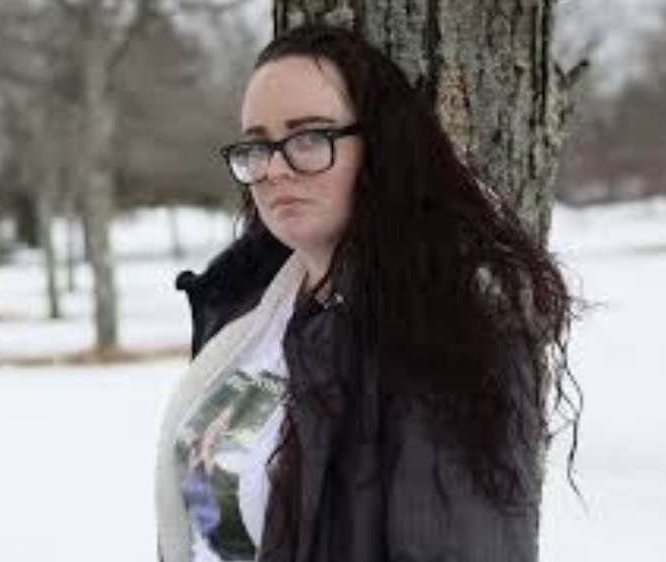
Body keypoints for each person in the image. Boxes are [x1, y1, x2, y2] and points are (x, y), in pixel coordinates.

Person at [155, 23, 580, 562]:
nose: (275, 168)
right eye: (258, 145)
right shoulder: (251, 311)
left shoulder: (446, 329)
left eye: (309, 138)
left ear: (380, 146)